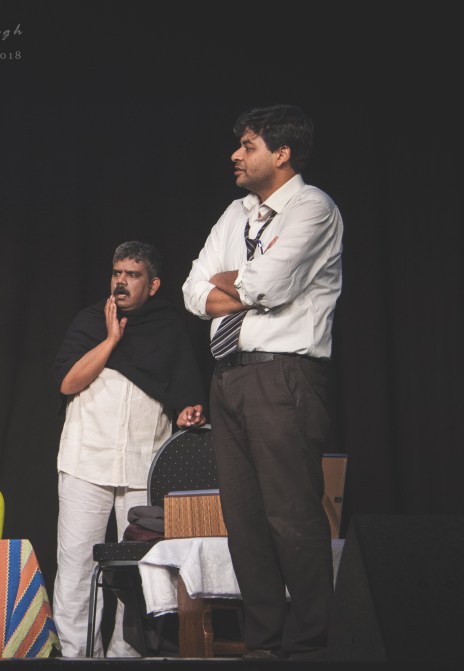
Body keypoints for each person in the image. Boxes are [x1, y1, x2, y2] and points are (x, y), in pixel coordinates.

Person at [181, 104, 343, 661]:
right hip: (228, 377)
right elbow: (191, 290)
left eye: (248, 146)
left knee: (291, 514)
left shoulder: (313, 208)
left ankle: (311, 644)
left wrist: (233, 283)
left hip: (283, 375)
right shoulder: (236, 213)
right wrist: (239, 285)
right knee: (244, 520)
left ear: (282, 153)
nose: (236, 154)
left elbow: (269, 284)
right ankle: (265, 644)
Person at [51, 241, 206, 658]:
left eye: (132, 275)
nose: (121, 281)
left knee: (140, 571)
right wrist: (110, 340)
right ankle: (77, 656)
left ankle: (126, 656)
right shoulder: (90, 322)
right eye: (117, 273)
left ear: (152, 284)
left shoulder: (169, 328)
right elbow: (67, 383)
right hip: (86, 461)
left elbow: (185, 395)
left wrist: (188, 412)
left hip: (143, 465)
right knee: (76, 567)